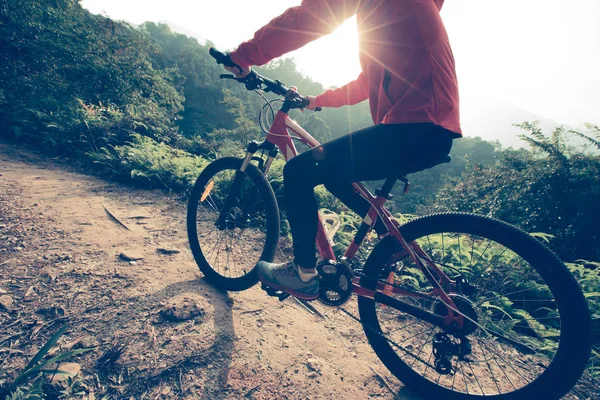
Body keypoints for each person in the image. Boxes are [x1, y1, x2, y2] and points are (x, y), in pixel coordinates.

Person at [223, 0, 462, 300]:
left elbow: (311, 16)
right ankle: (392, 240)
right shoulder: (404, 13)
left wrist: (243, 56)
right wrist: (315, 100)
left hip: (413, 124)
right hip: (430, 129)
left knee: (297, 171)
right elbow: (367, 83)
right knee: (336, 176)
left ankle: (302, 273)